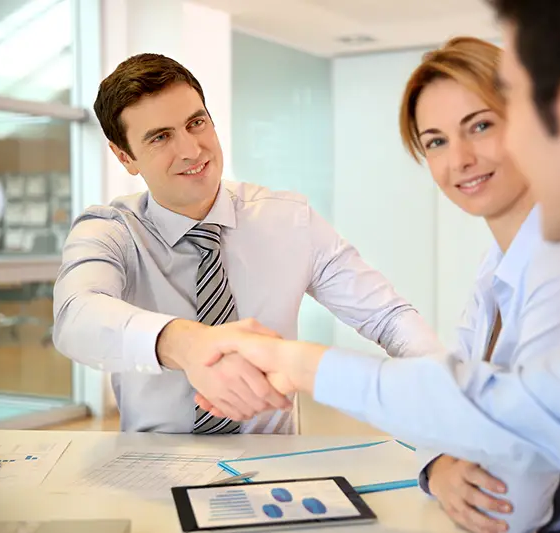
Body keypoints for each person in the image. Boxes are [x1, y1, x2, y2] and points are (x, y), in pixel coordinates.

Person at [198, 1, 560, 532]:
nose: (467, 157)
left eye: (504, 112)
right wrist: (299, 364)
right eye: (437, 142)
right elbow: (521, 403)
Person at [52, 53, 445, 435]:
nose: (191, 149)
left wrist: (452, 403)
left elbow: (388, 317)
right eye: (160, 137)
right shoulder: (110, 230)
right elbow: (76, 317)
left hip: (275, 462)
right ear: (125, 157)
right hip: (154, 464)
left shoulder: (289, 220)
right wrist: (188, 345)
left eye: (196, 122)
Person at [398, 37, 560, 533]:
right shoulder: (500, 265)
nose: (459, 159)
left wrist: (457, 457)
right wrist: (439, 468)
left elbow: (512, 509)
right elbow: (441, 400)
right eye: (435, 141)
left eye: (479, 126)